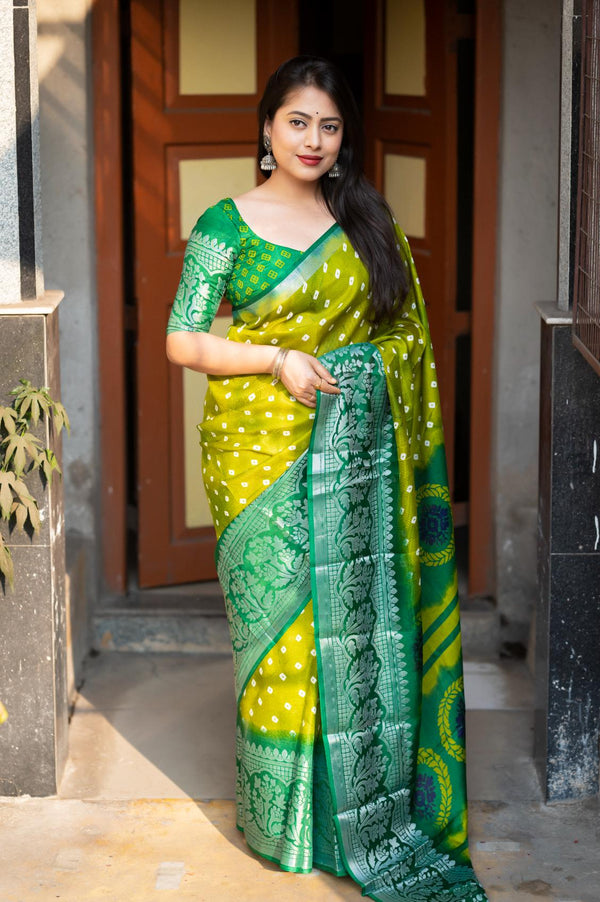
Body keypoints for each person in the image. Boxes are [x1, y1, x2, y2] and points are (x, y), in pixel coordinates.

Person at [166, 56, 487, 902]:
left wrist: (356, 372)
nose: (313, 139)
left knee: (345, 634)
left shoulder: (365, 220)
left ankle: (361, 820)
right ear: (267, 129)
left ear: (344, 140)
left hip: (356, 456)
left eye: (330, 125)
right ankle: (284, 825)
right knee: (277, 643)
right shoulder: (225, 225)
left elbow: (407, 345)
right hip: (255, 454)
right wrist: (274, 359)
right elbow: (183, 339)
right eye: (298, 122)